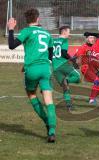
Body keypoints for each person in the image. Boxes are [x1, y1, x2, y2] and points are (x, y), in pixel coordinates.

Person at [7, 8, 57, 142]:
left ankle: (47, 121)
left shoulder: (26, 31)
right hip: (46, 69)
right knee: (49, 100)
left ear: (26, 20)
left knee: (31, 94)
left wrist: (11, 29)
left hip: (32, 70)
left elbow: (12, 45)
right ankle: (52, 130)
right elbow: (50, 51)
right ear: (38, 19)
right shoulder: (47, 33)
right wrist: (48, 63)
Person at [52, 26, 80, 111]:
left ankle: (69, 106)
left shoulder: (53, 41)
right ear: (64, 32)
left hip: (55, 67)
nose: (69, 33)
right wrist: (73, 60)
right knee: (77, 77)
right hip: (63, 64)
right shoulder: (64, 40)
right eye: (68, 32)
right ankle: (67, 80)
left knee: (65, 87)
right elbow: (64, 53)